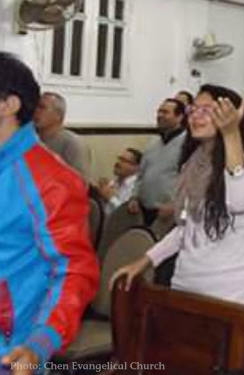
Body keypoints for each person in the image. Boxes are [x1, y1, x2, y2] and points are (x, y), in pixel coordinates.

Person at [110, 84, 244, 307]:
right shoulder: (192, 165)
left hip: (231, 291)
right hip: (186, 284)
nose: (195, 116)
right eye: (193, 110)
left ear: (229, 115)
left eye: (207, 110)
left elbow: (238, 201)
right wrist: (143, 262)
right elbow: (186, 229)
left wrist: (231, 133)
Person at [0, 52, 99, 373]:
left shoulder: (50, 180)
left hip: (9, 351)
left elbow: (74, 271)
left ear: (8, 105)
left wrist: (40, 343)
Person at [127, 98, 187, 225]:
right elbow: (141, 175)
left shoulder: (188, 145)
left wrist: (176, 206)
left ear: (180, 117)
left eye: (165, 112)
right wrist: (134, 197)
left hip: (168, 213)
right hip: (144, 211)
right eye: (159, 112)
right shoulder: (153, 142)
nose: (160, 116)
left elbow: (191, 182)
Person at [33, 91, 92, 180]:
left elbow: (79, 183)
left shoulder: (73, 144)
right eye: (36, 107)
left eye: (42, 107)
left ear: (58, 115)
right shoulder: (32, 140)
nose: (35, 111)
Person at [95, 147, 141, 214]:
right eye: (119, 159)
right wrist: (99, 193)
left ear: (136, 167)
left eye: (123, 160)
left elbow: (128, 215)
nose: (118, 162)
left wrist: (111, 198)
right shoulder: (113, 183)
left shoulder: (137, 187)